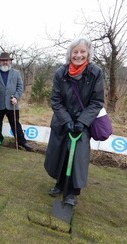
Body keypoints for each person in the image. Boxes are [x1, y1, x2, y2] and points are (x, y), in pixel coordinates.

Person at [44, 37, 104, 206]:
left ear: (88, 53)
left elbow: (97, 102)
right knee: (60, 154)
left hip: (83, 123)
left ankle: (72, 192)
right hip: (62, 122)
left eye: (82, 51)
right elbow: (55, 100)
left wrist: (82, 122)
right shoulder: (60, 73)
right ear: (70, 54)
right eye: (75, 52)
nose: (78, 55)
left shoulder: (95, 73)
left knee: (77, 157)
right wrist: (66, 121)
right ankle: (59, 184)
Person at [0, 52, 33, 152]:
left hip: (12, 104)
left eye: (6, 60)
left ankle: (22, 142)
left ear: (10, 61)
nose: (5, 62)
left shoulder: (16, 73)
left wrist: (16, 97)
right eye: (3, 60)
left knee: (15, 124)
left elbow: (20, 86)